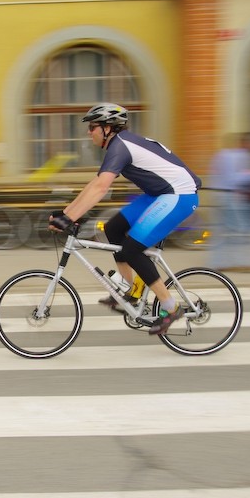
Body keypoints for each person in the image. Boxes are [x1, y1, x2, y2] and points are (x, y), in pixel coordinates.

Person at [48, 103, 202, 335]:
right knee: (114, 228)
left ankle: (171, 308)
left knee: (132, 250)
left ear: (108, 128)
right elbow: (96, 183)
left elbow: (101, 188)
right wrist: (67, 212)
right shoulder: (119, 145)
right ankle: (131, 290)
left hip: (178, 196)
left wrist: (70, 217)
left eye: (92, 127)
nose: (89, 132)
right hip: (158, 194)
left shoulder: (121, 147)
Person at [207, 132, 250, 272]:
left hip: (220, 195)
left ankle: (219, 263)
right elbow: (235, 179)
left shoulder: (220, 155)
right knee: (245, 230)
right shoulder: (243, 156)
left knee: (222, 231)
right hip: (234, 197)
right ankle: (245, 262)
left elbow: (215, 175)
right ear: (247, 143)